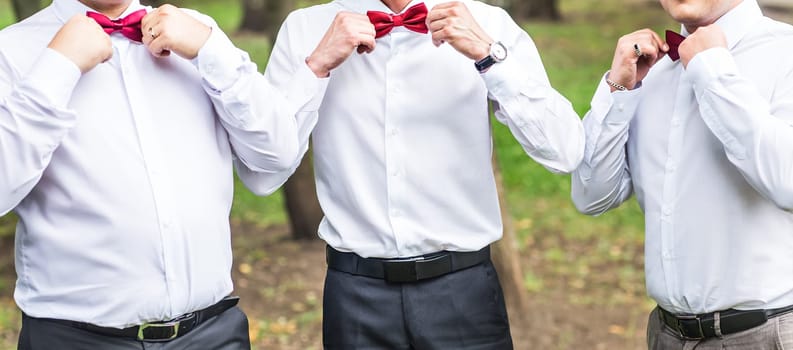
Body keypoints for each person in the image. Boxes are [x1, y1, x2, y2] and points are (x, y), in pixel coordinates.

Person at [262, 0, 585, 348]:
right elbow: (263, 171)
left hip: (463, 294)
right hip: (354, 299)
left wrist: (489, 56)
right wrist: (315, 67)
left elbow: (564, 150)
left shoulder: (487, 22)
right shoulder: (304, 30)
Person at [0, 0, 312, 348]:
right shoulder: (12, 51)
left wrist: (210, 50)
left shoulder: (199, 32)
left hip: (214, 333)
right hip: (76, 339)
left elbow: (277, 154)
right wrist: (57, 68)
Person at [571, 0, 793, 348]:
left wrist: (713, 72)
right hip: (665, 334)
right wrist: (617, 89)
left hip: (766, 335)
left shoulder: (786, 52)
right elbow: (591, 196)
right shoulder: (649, 72)